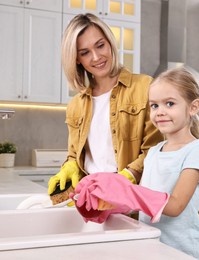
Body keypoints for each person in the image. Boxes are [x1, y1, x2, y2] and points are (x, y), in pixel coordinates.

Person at [73, 67, 199, 260]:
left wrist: (127, 191)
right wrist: (104, 203)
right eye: (154, 105)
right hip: (153, 247)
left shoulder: (195, 151)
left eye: (169, 103)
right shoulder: (154, 152)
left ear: (193, 107)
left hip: (183, 252)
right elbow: (142, 204)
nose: (160, 112)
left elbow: (175, 206)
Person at [48, 13, 163, 195]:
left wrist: (128, 176)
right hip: (90, 196)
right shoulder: (75, 105)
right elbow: (75, 154)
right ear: (77, 59)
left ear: (110, 43)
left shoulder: (145, 87)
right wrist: (70, 165)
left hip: (130, 198)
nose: (96, 57)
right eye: (85, 52)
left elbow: (157, 149)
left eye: (100, 45)